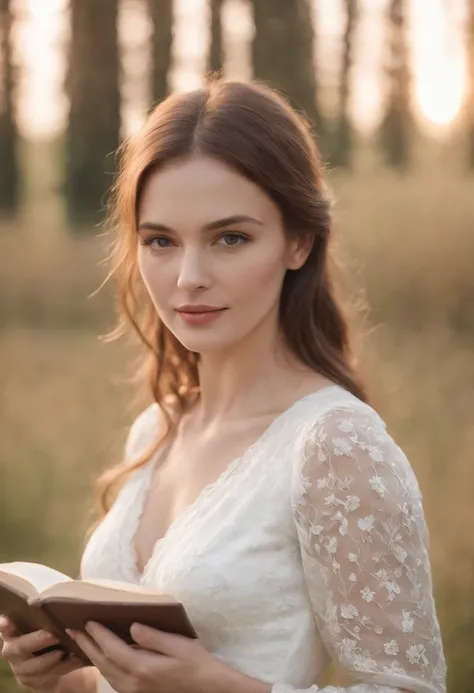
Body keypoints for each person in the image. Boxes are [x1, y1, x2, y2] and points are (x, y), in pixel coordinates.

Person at [0, 79, 446, 693]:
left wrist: (218, 687)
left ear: (298, 241)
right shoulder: (159, 425)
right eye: (160, 240)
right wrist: (56, 678)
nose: (188, 278)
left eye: (229, 238)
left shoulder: (335, 447)